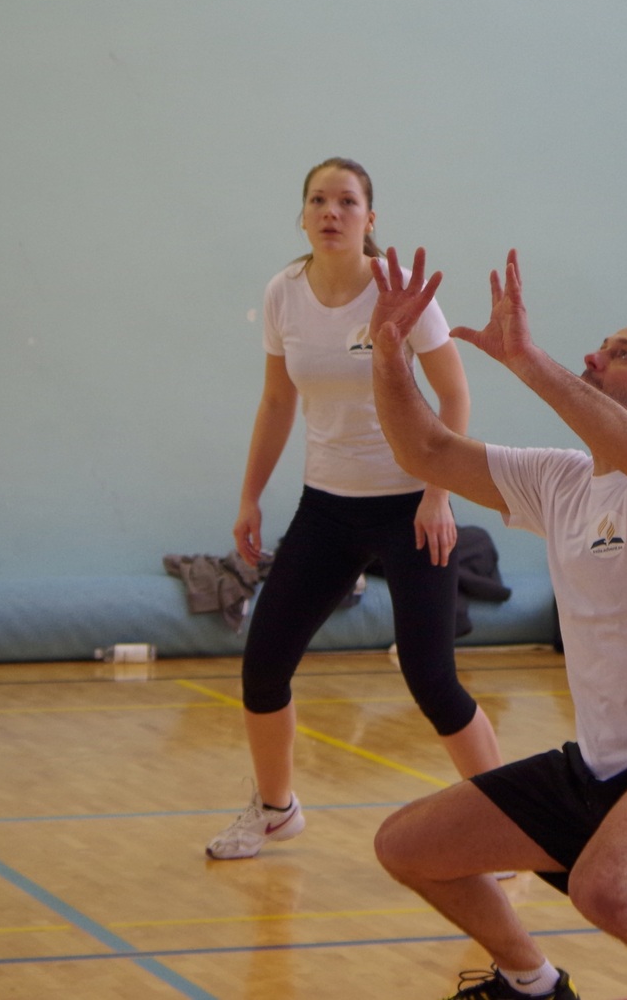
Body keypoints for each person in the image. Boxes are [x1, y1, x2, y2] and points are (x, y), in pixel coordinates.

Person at [368, 249, 627, 1000]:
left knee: (608, 889)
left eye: (623, 355)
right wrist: (387, 352)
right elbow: (422, 448)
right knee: (408, 845)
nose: (596, 356)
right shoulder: (558, 479)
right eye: (603, 345)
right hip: (600, 765)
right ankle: (531, 985)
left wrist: (525, 358)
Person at [208, 159, 502, 861]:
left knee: (432, 680)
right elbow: (277, 401)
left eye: (347, 201)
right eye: (318, 199)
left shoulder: (396, 291)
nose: (331, 212)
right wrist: (249, 495)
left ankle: (508, 825)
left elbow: (454, 396)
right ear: (303, 214)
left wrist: (438, 493)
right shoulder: (283, 293)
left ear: (371, 218)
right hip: (327, 510)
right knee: (263, 667)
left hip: (410, 507)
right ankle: (276, 808)